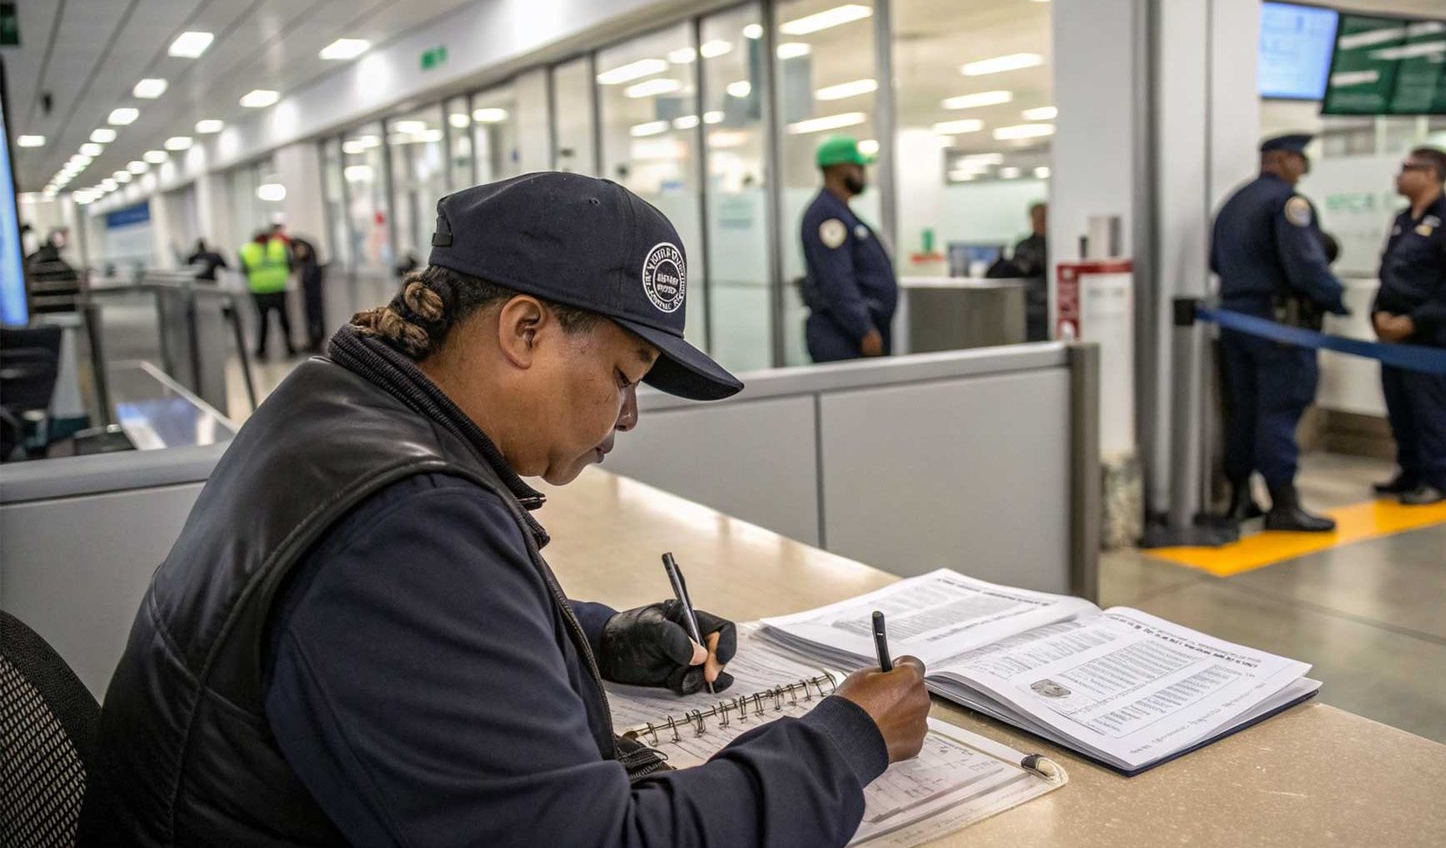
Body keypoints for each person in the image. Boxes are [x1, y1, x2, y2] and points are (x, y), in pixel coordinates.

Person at [83, 173, 931, 847]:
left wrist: (595, 635)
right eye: (624, 377)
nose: (626, 418)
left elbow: (409, 636)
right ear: (524, 331)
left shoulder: (332, 412)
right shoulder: (403, 529)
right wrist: (845, 740)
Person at [1210, 133, 1348, 532]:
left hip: (1235, 320)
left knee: (1244, 412)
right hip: (1279, 326)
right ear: (1284, 160)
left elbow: (1216, 261)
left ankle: (1239, 498)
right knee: (1278, 412)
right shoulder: (1288, 203)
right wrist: (1334, 299)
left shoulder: (1233, 202)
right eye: (1301, 161)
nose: (1302, 169)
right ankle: (1284, 504)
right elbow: (1306, 264)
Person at [1371, 147, 1446, 506]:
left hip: (1431, 338)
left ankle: (1435, 478)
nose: (1398, 175)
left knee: (1428, 409)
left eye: (1406, 168)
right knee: (1400, 407)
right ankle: (1410, 472)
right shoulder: (1404, 219)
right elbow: (1388, 273)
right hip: (1393, 337)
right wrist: (1378, 315)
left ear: (1430, 173)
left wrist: (1414, 322)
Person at [799, 135, 898, 362]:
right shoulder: (827, 215)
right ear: (841, 170)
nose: (863, 174)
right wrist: (863, 328)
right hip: (842, 337)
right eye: (859, 167)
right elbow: (836, 278)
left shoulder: (840, 212)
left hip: (851, 334)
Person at [985, 202, 1049, 341]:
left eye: (1044, 217)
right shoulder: (1025, 246)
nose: (1041, 221)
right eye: (1038, 217)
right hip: (1027, 309)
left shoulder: (1057, 246)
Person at [239, 228, 295, 359]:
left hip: (260, 290)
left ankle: (262, 351)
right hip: (277, 288)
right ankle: (289, 348)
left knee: (264, 321)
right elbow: (290, 264)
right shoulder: (279, 247)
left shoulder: (247, 250)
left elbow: (244, 270)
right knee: (283, 320)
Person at [24, 226, 82, 315]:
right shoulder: (63, 265)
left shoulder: (32, 263)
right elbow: (76, 288)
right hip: (65, 310)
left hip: (40, 312)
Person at [291, 235, 327, 350]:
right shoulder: (305, 264)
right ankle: (313, 340)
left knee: (315, 317)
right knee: (311, 318)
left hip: (313, 296)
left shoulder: (312, 266)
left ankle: (317, 340)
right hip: (309, 295)